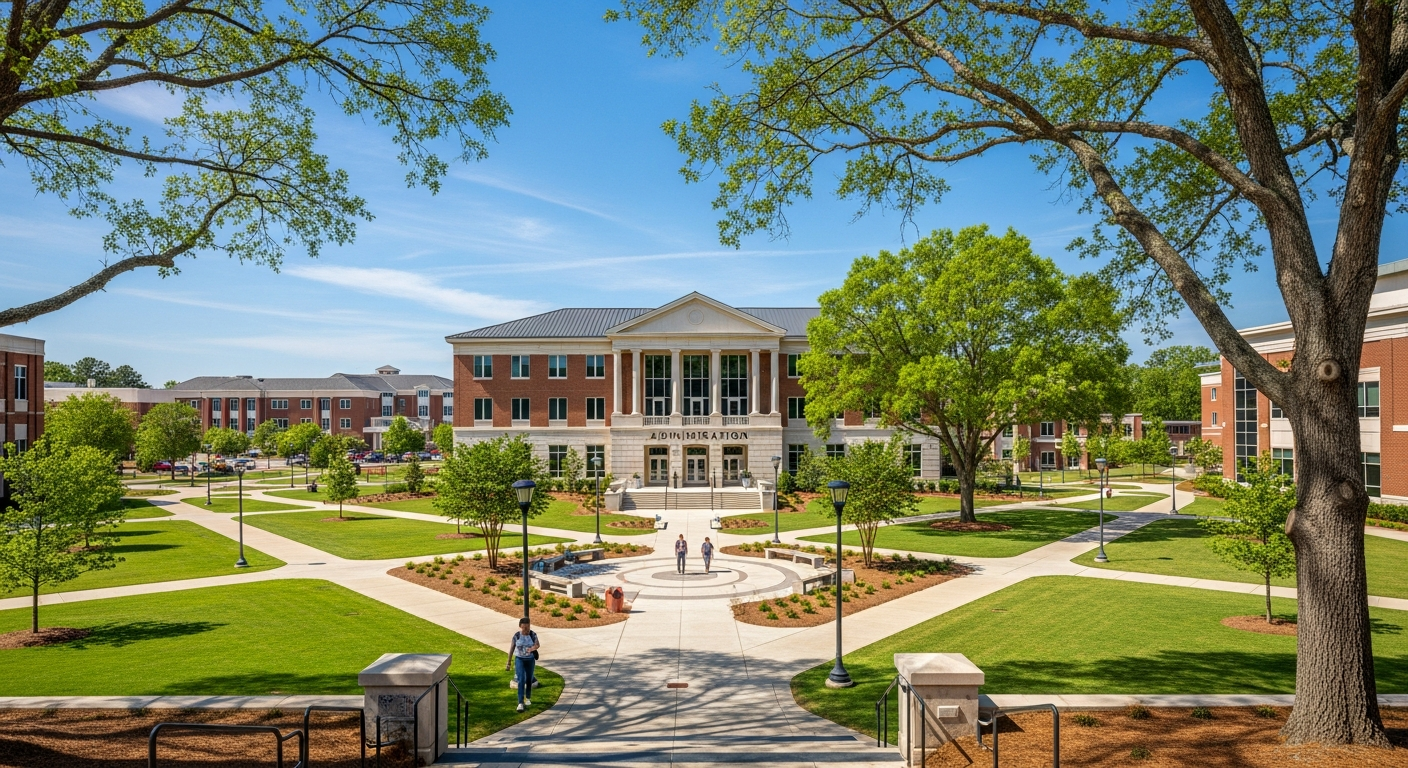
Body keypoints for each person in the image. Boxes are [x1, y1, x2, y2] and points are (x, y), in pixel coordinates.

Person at [505, 617, 540, 712]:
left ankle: (527, 697)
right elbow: (511, 649)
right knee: (521, 679)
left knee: (529, 679)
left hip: (530, 660)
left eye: (528, 627)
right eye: (524, 627)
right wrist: (508, 662)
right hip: (519, 659)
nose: (526, 629)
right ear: (520, 626)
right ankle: (520, 703)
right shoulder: (517, 636)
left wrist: (532, 649)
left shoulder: (533, 634)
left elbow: (537, 645)